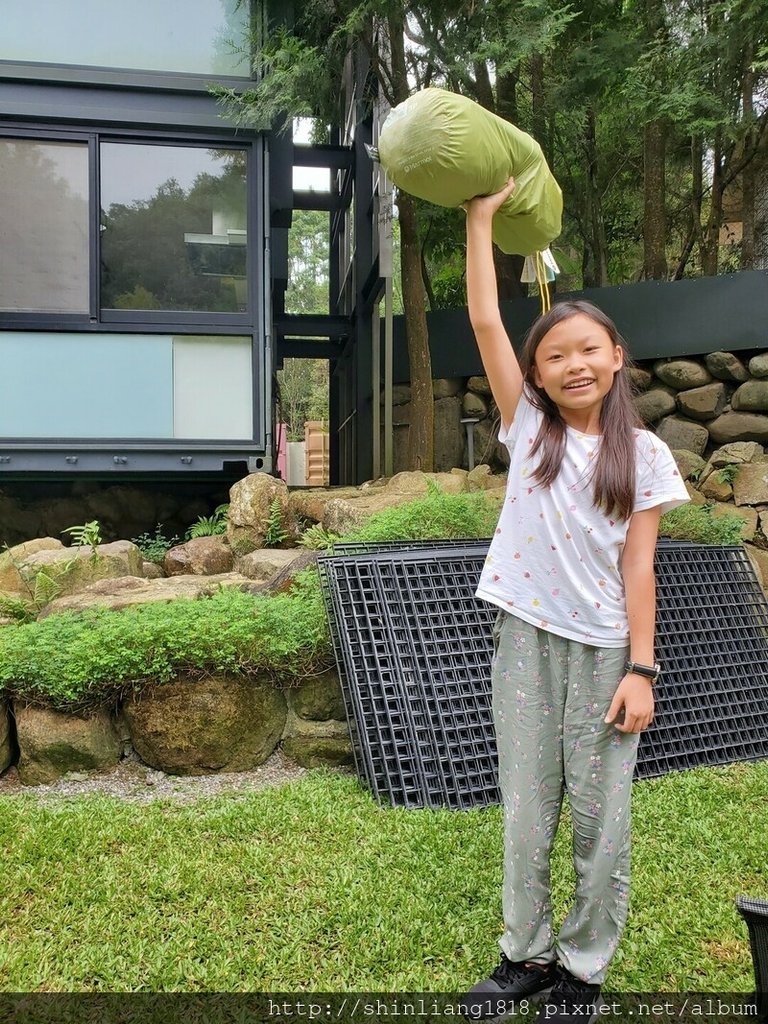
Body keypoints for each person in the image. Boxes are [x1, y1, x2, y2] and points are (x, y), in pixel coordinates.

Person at [459, 178, 689, 1024]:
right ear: (538, 376)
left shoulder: (650, 457)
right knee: (526, 813)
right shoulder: (528, 429)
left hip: (603, 653)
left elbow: (640, 570)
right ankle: (523, 956)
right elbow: (487, 320)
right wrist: (482, 219)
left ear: (616, 357)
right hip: (524, 639)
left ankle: (583, 971)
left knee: (601, 823)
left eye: (588, 349)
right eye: (555, 356)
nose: (573, 364)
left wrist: (642, 668)